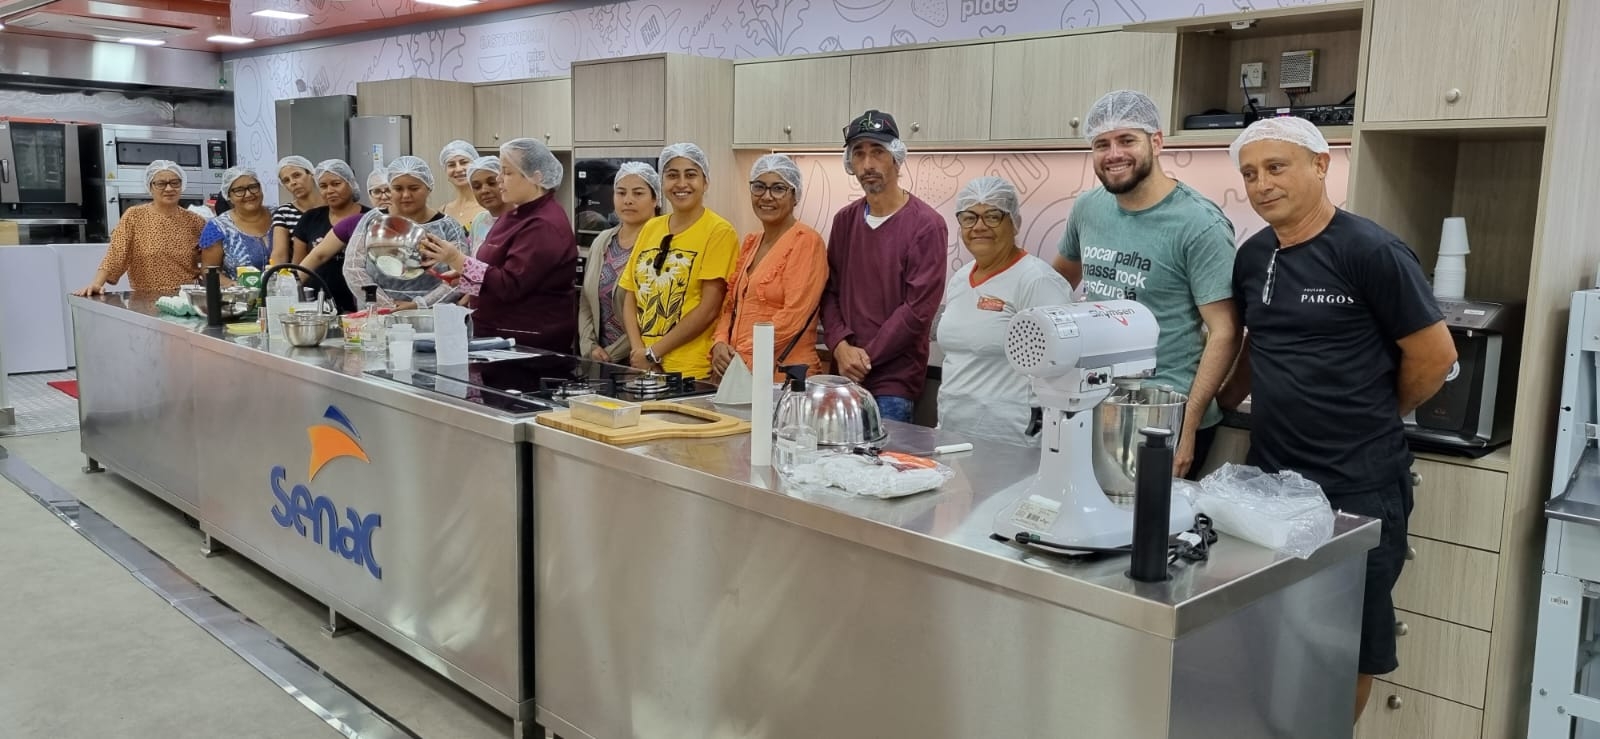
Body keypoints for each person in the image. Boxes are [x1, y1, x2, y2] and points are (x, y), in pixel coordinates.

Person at [1216, 116, 1456, 722]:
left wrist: (1378, 412)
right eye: (1250, 173)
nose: (1262, 183)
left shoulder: (1370, 250)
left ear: (1321, 167)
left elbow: (1435, 356)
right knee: (1270, 624)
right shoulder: (1253, 256)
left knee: (1346, 642)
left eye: (1277, 167)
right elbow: (1253, 341)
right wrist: (1220, 403)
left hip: (1358, 483)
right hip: (1271, 480)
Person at [1051, 90, 1241, 478]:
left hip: (1163, 411)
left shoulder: (1199, 224)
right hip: (1093, 401)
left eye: (1126, 140)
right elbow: (1054, 284)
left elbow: (1225, 332)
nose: (1113, 153)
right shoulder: (1088, 208)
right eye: (1101, 144)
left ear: (1156, 142)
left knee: (1148, 534)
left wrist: (1186, 429)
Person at [819, 110, 948, 423]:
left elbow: (916, 311)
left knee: (883, 468)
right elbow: (830, 292)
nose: (868, 165)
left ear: (896, 158)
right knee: (835, 468)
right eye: (859, 154)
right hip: (845, 375)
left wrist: (864, 359)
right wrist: (839, 347)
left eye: (877, 152)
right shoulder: (845, 221)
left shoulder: (926, 226)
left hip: (894, 382)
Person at [937, 177, 1074, 446]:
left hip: (1013, 440)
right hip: (954, 432)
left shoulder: (1037, 281)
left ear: (1014, 223)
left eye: (992, 216)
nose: (979, 227)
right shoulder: (961, 278)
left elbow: (1062, 369)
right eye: (969, 217)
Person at [418, 138, 578, 352]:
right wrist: (465, 277)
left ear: (536, 177)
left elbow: (509, 286)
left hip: (529, 342)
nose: (500, 179)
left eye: (507, 173)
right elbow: (496, 272)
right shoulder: (516, 214)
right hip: (499, 334)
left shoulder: (542, 224)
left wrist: (456, 259)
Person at [617, 143, 738, 380]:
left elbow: (709, 308)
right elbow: (631, 295)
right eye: (672, 175)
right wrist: (639, 352)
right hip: (644, 368)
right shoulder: (652, 227)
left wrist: (654, 354)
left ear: (705, 182)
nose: (681, 183)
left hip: (691, 372)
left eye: (690, 175)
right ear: (662, 183)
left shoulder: (719, 231)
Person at [710, 154, 828, 380]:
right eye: (759, 187)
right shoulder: (751, 243)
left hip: (784, 377)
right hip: (739, 373)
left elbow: (793, 316)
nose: (767, 196)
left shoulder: (807, 242)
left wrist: (741, 354)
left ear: (795, 195)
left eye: (778, 188)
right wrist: (720, 343)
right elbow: (730, 307)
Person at [336, 156, 467, 308]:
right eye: (398, 188)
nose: (406, 195)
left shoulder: (448, 227)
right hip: (377, 315)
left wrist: (419, 305)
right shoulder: (372, 219)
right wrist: (386, 305)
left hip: (431, 316)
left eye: (414, 188)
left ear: (428, 187)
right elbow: (353, 268)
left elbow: (459, 277)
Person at [75, 160, 206, 296]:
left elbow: (210, 263)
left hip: (187, 299)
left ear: (182, 185)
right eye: (161, 184)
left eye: (175, 183)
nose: (169, 189)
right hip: (146, 300)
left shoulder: (196, 221)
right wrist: (97, 283)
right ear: (150, 187)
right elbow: (116, 253)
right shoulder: (135, 216)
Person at [580, 162, 659, 363]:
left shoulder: (662, 244)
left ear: (655, 199)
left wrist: (613, 354)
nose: (628, 200)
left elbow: (655, 313)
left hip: (643, 359)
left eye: (638, 193)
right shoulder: (602, 241)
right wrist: (590, 346)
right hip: (597, 360)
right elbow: (586, 301)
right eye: (621, 193)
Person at [291, 159, 368, 312]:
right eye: (323, 186)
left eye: (336, 184)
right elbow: (298, 264)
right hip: (317, 304)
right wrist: (290, 293)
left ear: (351, 183)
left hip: (358, 302)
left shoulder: (368, 218)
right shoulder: (310, 218)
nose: (330, 190)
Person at [198, 166, 271, 281]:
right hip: (240, 297)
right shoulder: (218, 227)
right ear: (229, 197)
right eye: (239, 190)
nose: (248, 194)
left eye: (253, 187)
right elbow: (209, 270)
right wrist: (232, 286)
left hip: (286, 295)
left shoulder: (280, 216)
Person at [268, 155, 323, 265]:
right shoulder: (284, 213)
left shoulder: (332, 206)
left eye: (297, 175)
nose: (293, 182)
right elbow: (279, 254)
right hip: (299, 276)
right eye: (286, 180)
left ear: (311, 174)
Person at [464, 156, 510, 253]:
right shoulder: (479, 221)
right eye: (477, 187)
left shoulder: (521, 221)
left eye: (492, 183)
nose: (484, 190)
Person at [439, 139, 486, 229]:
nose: (459, 169)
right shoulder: (443, 211)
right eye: (451, 165)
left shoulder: (489, 207)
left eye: (464, 162)